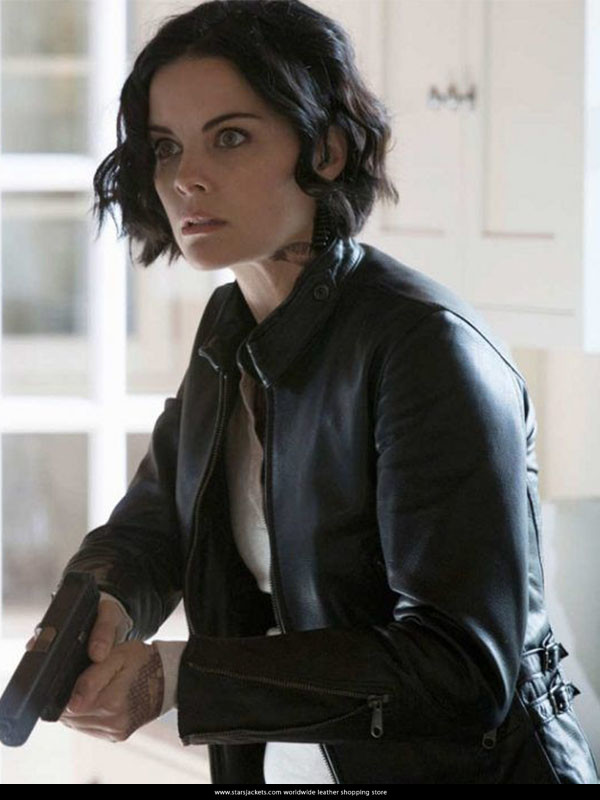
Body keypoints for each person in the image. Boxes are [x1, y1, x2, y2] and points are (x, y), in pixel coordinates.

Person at [51, 0, 597, 785]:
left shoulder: (425, 349)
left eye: (230, 137)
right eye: (166, 146)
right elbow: (158, 524)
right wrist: (97, 609)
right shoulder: (228, 327)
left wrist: (178, 677)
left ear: (328, 151)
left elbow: (460, 665)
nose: (186, 177)